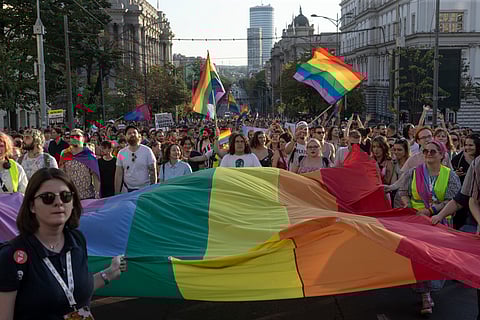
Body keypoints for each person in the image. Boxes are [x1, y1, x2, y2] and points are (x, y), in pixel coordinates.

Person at [0, 168, 126, 319]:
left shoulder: (77, 240)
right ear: (32, 205)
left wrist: (110, 273)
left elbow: (76, 289)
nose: (58, 202)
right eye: (48, 197)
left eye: (66, 196)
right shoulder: (12, 255)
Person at [397, 140, 461, 316]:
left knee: (436, 259)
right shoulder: (413, 173)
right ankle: (425, 295)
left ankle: (431, 288)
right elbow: (402, 192)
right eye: (425, 151)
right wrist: (409, 207)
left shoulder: (450, 175)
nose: (428, 154)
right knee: (419, 258)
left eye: (433, 152)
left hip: (440, 223)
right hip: (417, 223)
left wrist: (432, 210)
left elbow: (453, 200)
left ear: (442, 154)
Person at [59, 129, 101, 200]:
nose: (74, 138)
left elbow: (95, 175)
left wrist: (97, 195)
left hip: (87, 196)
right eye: (72, 136)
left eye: (77, 136)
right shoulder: (65, 153)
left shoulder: (89, 154)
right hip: (71, 197)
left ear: (83, 138)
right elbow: (61, 175)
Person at [115, 125, 157, 193]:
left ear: (139, 135)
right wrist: (116, 192)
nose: (132, 134)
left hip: (145, 190)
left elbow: (153, 172)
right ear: (125, 137)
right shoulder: (122, 153)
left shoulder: (147, 151)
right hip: (127, 191)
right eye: (129, 133)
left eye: (134, 132)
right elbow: (119, 174)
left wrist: (152, 191)